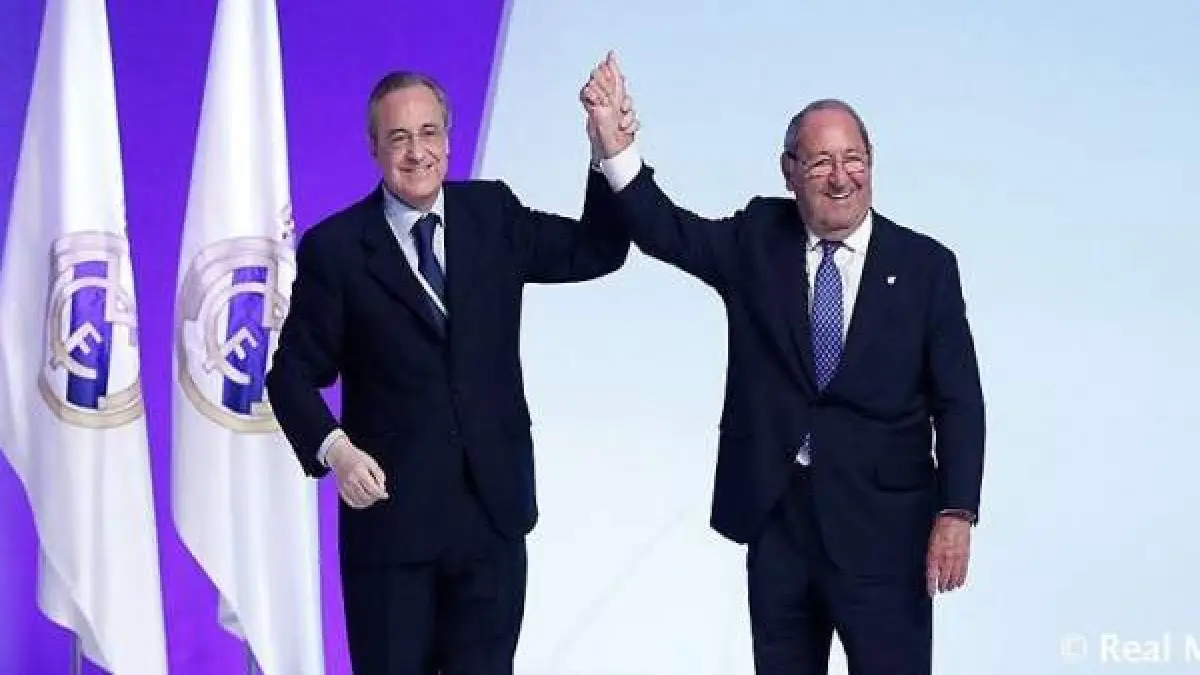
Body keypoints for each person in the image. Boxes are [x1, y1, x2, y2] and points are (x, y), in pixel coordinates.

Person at [580, 54, 985, 674]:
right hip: (781, 527)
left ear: (871, 164)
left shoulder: (926, 267)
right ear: (789, 171)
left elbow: (959, 401)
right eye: (820, 162)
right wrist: (614, 144)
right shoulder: (758, 239)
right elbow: (665, 230)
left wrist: (956, 512)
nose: (840, 177)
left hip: (887, 532)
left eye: (854, 159)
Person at [265, 71, 636, 675]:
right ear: (374, 148)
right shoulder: (337, 249)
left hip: (491, 519)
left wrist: (606, 152)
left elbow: (597, 250)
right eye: (400, 137)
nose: (417, 152)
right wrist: (338, 452)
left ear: (449, 139)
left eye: (429, 132)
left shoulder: (492, 214)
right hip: (392, 527)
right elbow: (290, 377)